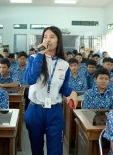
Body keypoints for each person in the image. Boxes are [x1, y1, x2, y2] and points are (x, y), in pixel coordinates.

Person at [24, 26, 77, 155]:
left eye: (52, 37)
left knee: (55, 151)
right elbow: (30, 80)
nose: (48, 40)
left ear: (58, 41)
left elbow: (63, 88)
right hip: (35, 110)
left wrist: (72, 92)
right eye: (45, 37)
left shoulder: (64, 64)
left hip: (54, 111)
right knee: (37, 150)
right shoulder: (33, 58)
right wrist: (39, 56)